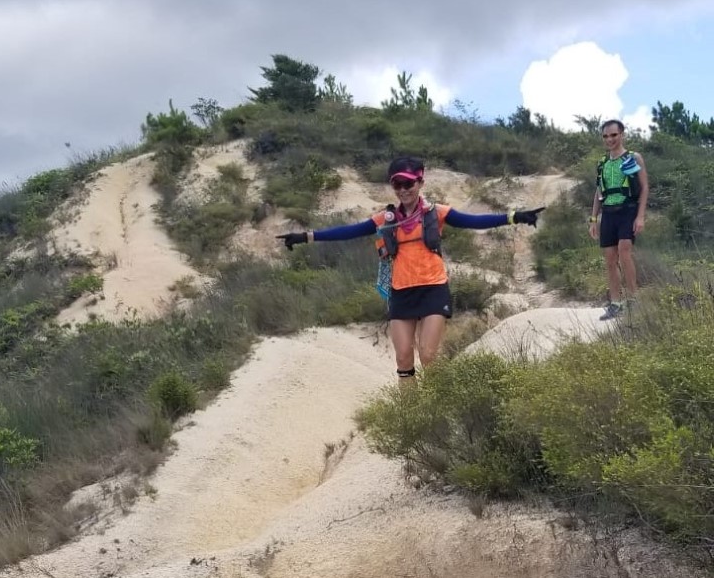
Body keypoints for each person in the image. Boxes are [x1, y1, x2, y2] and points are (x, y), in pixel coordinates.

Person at [277, 156, 544, 382]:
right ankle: (410, 418)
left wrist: (515, 216)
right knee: (403, 356)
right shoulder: (387, 219)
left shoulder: (436, 212)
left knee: (428, 355)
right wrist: (306, 237)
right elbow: (350, 231)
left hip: (433, 288)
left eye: (408, 183)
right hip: (401, 292)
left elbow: (473, 221)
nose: (403, 189)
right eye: (397, 184)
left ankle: (445, 408)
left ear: (420, 183)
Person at [589, 120, 649, 321]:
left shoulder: (633, 157)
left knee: (624, 252)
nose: (610, 139)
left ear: (622, 135)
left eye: (613, 135)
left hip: (627, 211)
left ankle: (633, 299)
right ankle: (615, 303)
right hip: (608, 213)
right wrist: (593, 218)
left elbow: (644, 187)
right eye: (606, 136)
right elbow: (599, 192)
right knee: (609, 259)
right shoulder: (602, 163)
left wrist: (640, 216)